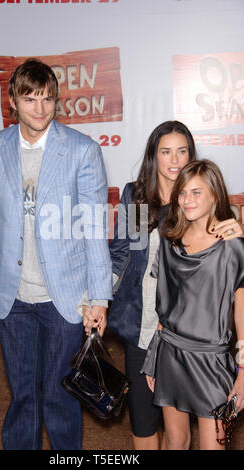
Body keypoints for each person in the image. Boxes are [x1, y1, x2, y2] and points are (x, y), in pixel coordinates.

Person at [0, 58, 112, 450]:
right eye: (30, 99)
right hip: (12, 296)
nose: (40, 108)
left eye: (48, 99)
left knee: (60, 395)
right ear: (12, 101)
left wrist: (98, 297)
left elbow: (95, 229)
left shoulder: (82, 151)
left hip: (64, 297)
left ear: (56, 101)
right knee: (22, 396)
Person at [108, 121, 243, 450]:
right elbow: (123, 254)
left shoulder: (205, 207)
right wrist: (97, 300)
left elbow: (230, 276)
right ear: (154, 156)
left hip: (199, 336)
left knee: (189, 429)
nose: (174, 159)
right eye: (165, 151)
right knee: (143, 421)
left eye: (182, 151)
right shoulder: (138, 198)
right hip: (144, 326)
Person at [143, 159, 244, 450]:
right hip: (171, 352)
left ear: (216, 194)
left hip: (211, 361)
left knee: (215, 444)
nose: (187, 200)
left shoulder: (232, 246)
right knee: (176, 442)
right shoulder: (170, 239)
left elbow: (241, 315)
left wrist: (242, 372)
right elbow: (166, 304)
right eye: (183, 193)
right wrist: (153, 357)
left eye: (197, 192)